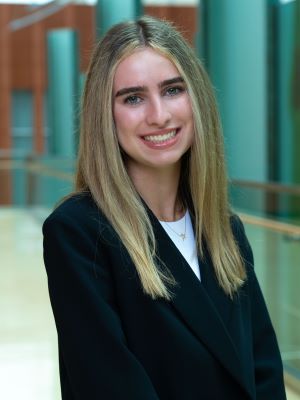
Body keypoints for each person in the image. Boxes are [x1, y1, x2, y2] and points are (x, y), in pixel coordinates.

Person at [43, 16, 286, 400]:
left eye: (173, 90)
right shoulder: (79, 232)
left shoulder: (225, 230)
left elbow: (264, 368)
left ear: (197, 98)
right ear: (104, 115)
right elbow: (108, 385)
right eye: (133, 98)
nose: (159, 115)